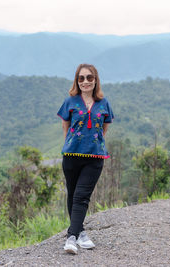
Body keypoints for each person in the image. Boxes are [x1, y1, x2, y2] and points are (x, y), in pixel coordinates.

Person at [57, 63, 114, 254]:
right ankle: (80, 233)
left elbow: (104, 128)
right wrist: (70, 145)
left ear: (95, 80)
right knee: (72, 194)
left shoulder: (103, 103)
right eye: (81, 78)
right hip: (72, 155)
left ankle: (71, 238)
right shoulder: (70, 102)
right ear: (77, 81)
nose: (85, 81)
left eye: (89, 77)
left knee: (82, 196)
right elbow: (66, 127)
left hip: (95, 156)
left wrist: (93, 143)